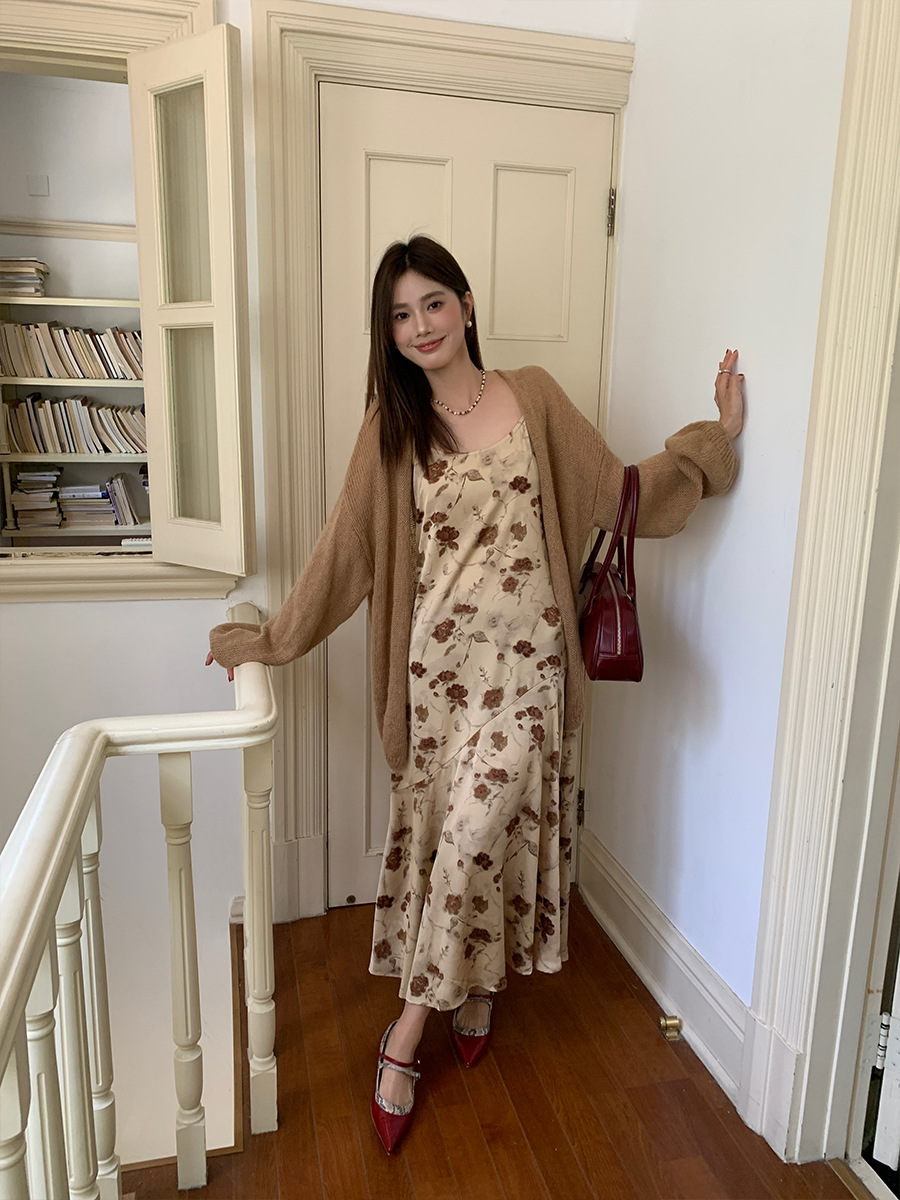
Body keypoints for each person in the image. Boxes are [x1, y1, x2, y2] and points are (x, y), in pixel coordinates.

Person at [206, 235, 744, 1154]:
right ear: (389, 332)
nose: (420, 325)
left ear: (465, 305)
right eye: (400, 314)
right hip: (437, 684)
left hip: (531, 676)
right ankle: (478, 988)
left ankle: (403, 1036)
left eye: (433, 303)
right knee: (467, 846)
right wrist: (271, 639)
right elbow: (344, 554)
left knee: (468, 844)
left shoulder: (532, 396)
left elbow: (619, 495)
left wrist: (715, 439)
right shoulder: (391, 432)